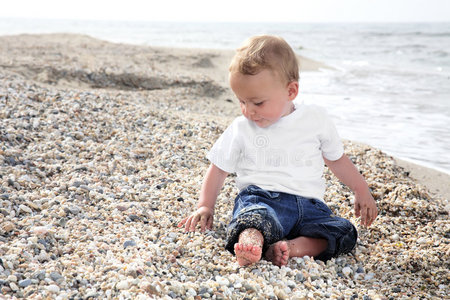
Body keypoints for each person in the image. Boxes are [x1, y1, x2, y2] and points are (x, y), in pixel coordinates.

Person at [178, 35, 377, 267]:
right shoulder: (242, 128)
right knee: (254, 216)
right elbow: (218, 168)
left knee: (343, 232)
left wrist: (361, 189)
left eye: (258, 103)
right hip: (263, 198)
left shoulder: (315, 119)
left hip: (310, 207)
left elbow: (337, 160)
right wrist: (205, 205)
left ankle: (292, 248)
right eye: (242, 102)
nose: (248, 111)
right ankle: (252, 239)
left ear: (291, 91)